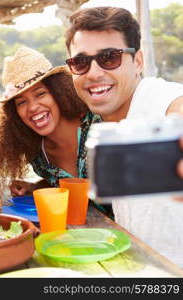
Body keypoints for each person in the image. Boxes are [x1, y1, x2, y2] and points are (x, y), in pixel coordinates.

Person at [65, 6, 183, 267]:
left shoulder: (159, 99)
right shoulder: (107, 126)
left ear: (138, 61)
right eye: (81, 62)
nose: (94, 73)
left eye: (109, 58)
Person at [0, 46, 101, 197]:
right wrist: (34, 187)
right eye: (21, 102)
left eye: (40, 94)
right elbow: (62, 185)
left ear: (59, 92)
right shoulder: (38, 155)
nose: (32, 107)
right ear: (14, 114)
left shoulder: (98, 127)